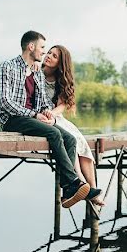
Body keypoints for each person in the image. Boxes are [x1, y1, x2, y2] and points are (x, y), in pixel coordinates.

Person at [0, 31, 101, 208]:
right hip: (12, 119)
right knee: (53, 134)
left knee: (69, 138)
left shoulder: (36, 73)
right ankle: (72, 183)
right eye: (43, 47)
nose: (44, 52)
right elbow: (5, 102)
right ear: (31, 47)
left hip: (33, 119)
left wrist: (47, 114)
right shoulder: (7, 67)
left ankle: (68, 190)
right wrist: (34, 115)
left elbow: (43, 101)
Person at [41, 45, 104, 206]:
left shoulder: (60, 81)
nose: (48, 56)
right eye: (49, 52)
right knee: (72, 141)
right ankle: (82, 184)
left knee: (82, 145)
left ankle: (92, 189)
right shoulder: (36, 74)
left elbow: (62, 105)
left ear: (60, 63)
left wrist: (52, 114)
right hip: (41, 118)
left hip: (55, 116)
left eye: (54, 56)